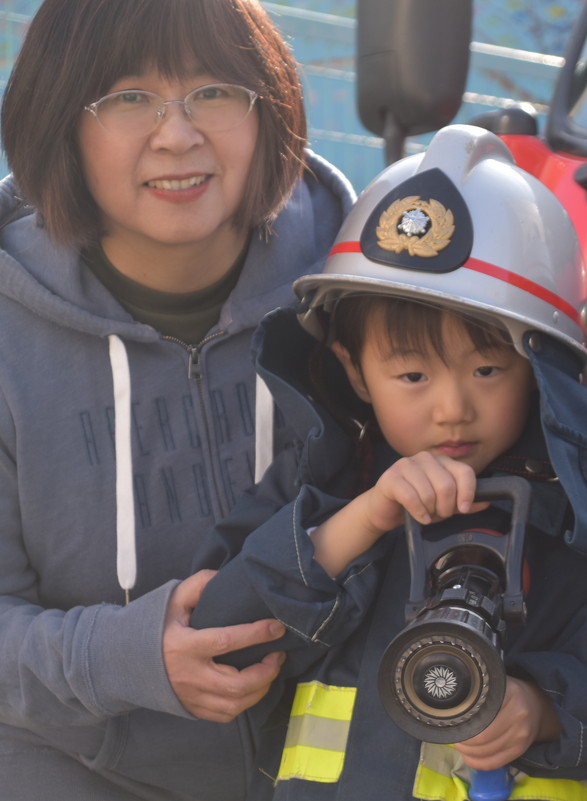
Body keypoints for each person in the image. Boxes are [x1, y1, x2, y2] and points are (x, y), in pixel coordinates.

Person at [187, 123, 587, 800]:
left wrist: (542, 711)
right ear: (352, 369)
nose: (452, 409)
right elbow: (219, 638)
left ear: (543, 369)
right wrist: (362, 519)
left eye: (488, 369)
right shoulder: (322, 484)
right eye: (412, 376)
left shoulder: (583, 504)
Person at [0, 0, 355, 798]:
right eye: (130, 97)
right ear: (61, 122)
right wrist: (127, 656)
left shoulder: (357, 288)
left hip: (324, 762)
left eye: (215, 91)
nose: (178, 134)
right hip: (66, 763)